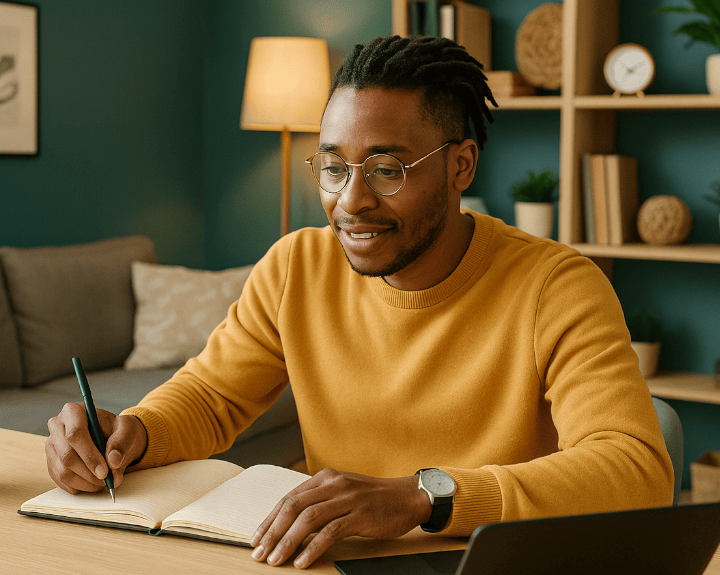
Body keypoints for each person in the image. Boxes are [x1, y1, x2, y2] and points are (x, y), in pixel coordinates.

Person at [45, 35, 673, 569]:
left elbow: (636, 470)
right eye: (333, 167)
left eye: (387, 169)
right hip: (336, 564)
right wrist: (132, 434)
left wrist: (422, 497)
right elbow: (212, 397)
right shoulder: (296, 266)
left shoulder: (557, 286)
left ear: (461, 166)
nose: (351, 200)